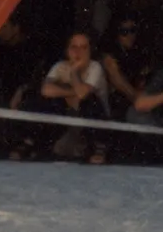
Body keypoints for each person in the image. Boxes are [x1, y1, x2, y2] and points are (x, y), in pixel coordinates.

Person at [40, 27, 110, 160]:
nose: (78, 52)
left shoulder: (95, 67)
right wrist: (72, 92)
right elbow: (45, 90)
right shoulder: (60, 66)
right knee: (48, 102)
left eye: (84, 47)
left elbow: (83, 94)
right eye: (74, 47)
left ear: (90, 51)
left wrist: (74, 72)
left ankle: (99, 149)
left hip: (95, 122)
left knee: (90, 100)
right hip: (70, 120)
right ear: (67, 50)